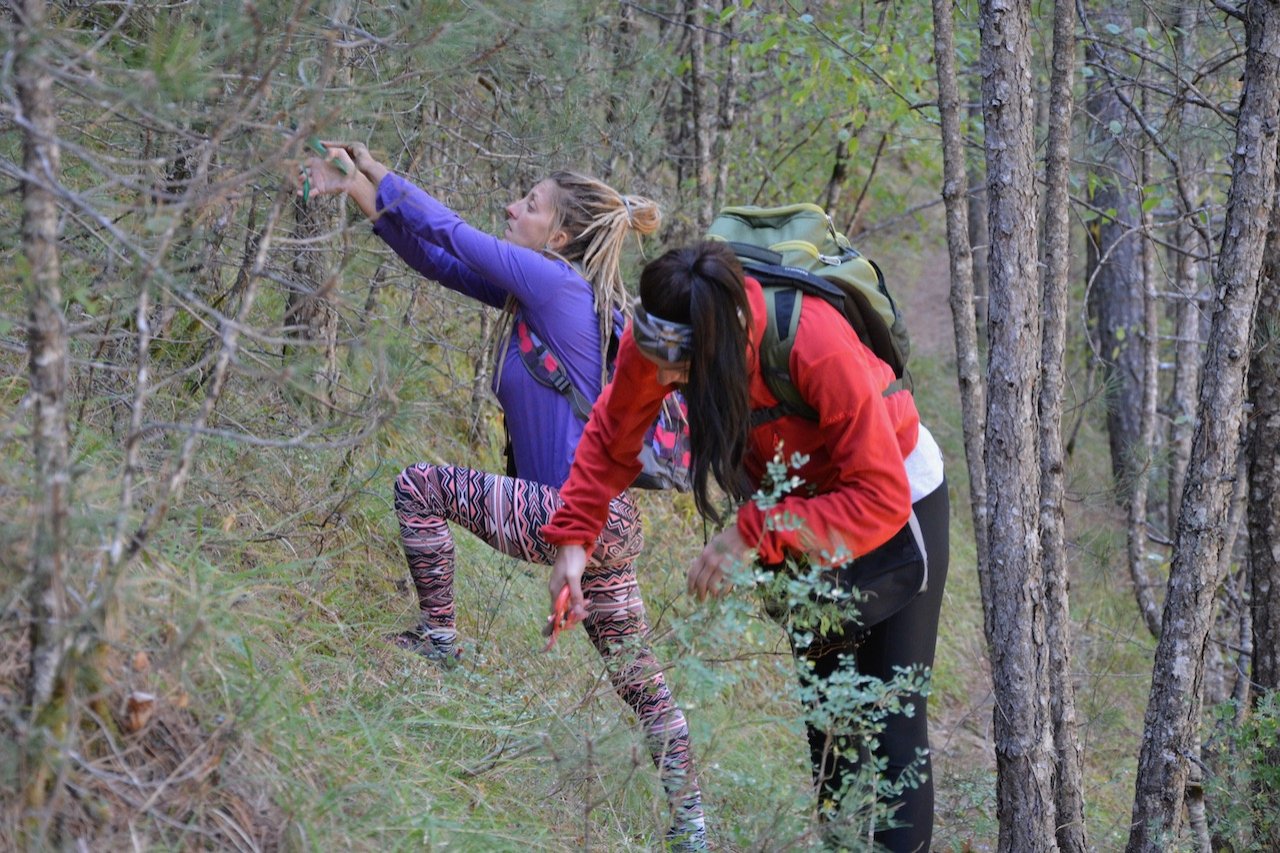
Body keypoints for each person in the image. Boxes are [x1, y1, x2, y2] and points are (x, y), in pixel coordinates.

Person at [297, 145, 708, 850]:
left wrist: (381, 173)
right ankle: (694, 826)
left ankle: (439, 639)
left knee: (419, 486)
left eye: (530, 203)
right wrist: (356, 191)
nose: (513, 208)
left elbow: (453, 232)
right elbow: (435, 259)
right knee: (641, 680)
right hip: (604, 521)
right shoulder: (544, 293)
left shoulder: (554, 283)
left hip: (564, 510)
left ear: (558, 236)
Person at [544, 241, 949, 851]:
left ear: (723, 339)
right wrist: (574, 539)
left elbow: (879, 497)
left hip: (892, 500)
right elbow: (612, 434)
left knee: (891, 716)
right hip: (790, 509)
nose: (670, 381)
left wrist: (752, 530)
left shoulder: (815, 343)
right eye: (662, 363)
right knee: (830, 722)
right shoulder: (661, 334)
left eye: (685, 369)